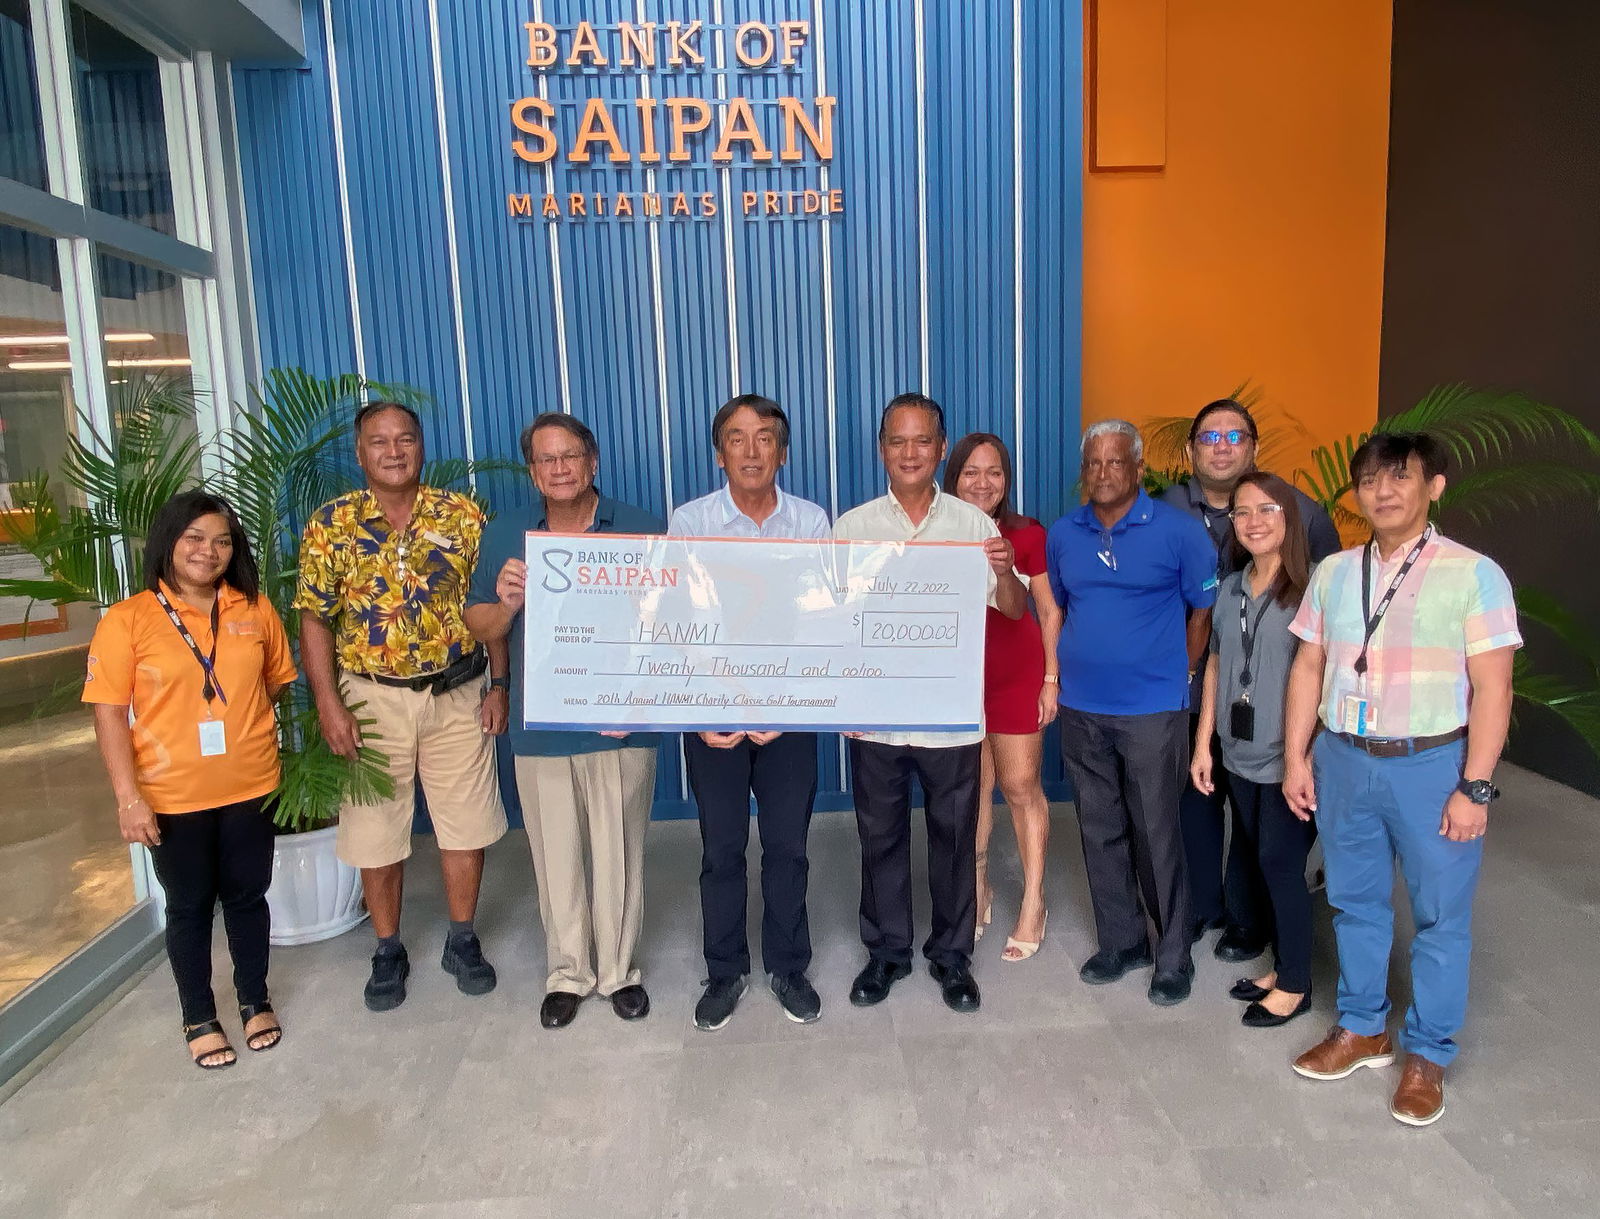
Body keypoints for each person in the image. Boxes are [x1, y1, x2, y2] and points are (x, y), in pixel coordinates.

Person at [1284, 432, 1520, 1127]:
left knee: (1440, 916)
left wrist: (1475, 787)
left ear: (1433, 487)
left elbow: (1494, 687)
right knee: (1354, 901)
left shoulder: (1474, 574)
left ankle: (1428, 1053)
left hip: (1432, 764)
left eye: (1399, 477)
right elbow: (1308, 666)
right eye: (1369, 480)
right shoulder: (1334, 572)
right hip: (1344, 757)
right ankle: (1363, 1027)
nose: (1381, 492)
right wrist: (1297, 757)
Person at [297, 401, 509, 1013]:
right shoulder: (332, 523)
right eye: (379, 441)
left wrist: (500, 683)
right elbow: (315, 619)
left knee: (465, 825)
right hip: (369, 698)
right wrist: (328, 703)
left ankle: (462, 939)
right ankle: (387, 948)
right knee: (375, 830)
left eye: (405, 439)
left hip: (458, 692)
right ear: (360, 452)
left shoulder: (462, 516)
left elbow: (490, 605)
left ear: (422, 445)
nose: (394, 451)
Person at [85, 490, 297, 1069]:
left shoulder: (253, 608)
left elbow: (276, 680)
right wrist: (128, 798)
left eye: (222, 541)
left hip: (251, 785)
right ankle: (199, 1015)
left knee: (248, 898)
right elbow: (109, 713)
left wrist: (239, 722)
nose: (209, 551)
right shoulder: (128, 619)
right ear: (169, 542)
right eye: (195, 538)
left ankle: (255, 1000)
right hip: (172, 795)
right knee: (189, 906)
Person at [466, 412, 664, 1030]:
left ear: (592, 461)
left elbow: (670, 625)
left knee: (619, 852)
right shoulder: (506, 535)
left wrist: (641, 697)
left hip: (621, 724)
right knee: (556, 857)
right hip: (542, 726)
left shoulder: (641, 528)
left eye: (570, 456)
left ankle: (619, 972)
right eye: (546, 459)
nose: (559, 468)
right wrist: (507, 604)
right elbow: (478, 624)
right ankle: (568, 973)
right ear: (533, 471)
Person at [832, 393, 1027, 1014]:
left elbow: (1014, 610)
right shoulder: (852, 527)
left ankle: (951, 956)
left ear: (941, 449)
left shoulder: (974, 526)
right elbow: (830, 620)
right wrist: (843, 701)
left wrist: (1005, 571)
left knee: (954, 838)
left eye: (923, 441)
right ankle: (887, 952)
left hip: (950, 718)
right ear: (882, 450)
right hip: (877, 719)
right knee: (879, 837)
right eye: (898, 440)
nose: (910, 452)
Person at [667, 394, 832, 1031]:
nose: (751, 450)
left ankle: (788, 966)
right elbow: (679, 621)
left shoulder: (810, 522)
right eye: (736, 438)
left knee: (788, 845)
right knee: (722, 847)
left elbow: (821, 621)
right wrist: (701, 709)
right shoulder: (689, 522)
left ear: (782, 452)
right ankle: (725, 970)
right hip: (715, 713)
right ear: (720, 454)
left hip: (788, 714)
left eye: (765, 437)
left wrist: (790, 704)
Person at [1161, 398, 1342, 963]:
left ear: (1254, 447)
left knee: (1271, 835)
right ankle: (1212, 911)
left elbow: (1327, 630)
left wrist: (1307, 740)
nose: (1222, 447)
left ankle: (1272, 943)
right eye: (1210, 438)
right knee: (1203, 809)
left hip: (1283, 711)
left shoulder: (1306, 520)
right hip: (1196, 697)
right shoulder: (1165, 511)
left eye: (1234, 436)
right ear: (1191, 449)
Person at [1047, 419, 1218, 1005]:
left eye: (1115, 461)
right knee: (1098, 827)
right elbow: (1065, 606)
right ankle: (1123, 942)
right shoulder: (1064, 533)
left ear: (1138, 469)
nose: (1102, 473)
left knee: (1156, 830)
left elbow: (1202, 613)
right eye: (1093, 463)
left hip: (1151, 709)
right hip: (1081, 706)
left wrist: (1181, 676)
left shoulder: (1180, 532)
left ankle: (1173, 954)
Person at [1189, 473, 1318, 1027]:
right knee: (1261, 858)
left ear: (1289, 517)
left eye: (1267, 509)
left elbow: (1319, 676)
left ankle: (1295, 984)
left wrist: (1299, 758)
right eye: (1242, 512)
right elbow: (1216, 664)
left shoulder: (1311, 590)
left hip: (1288, 758)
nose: (1253, 521)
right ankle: (1282, 966)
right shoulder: (1231, 588)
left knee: (1280, 863)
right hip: (1238, 750)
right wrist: (1204, 745)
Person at [944, 432, 1062, 961]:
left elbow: (1049, 610)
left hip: (1015, 674)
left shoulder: (1027, 534)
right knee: (972, 792)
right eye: (971, 472)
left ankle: (1034, 900)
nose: (982, 482)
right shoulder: (937, 534)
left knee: (1019, 785)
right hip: (956, 680)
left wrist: (1051, 678)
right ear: (953, 477)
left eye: (994, 472)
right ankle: (979, 887)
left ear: (1007, 481)